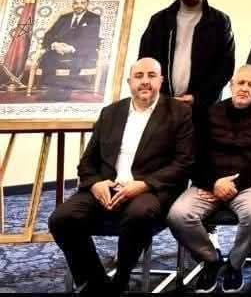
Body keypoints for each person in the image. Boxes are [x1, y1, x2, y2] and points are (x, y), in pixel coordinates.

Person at [48, 57, 194, 294]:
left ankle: (121, 280)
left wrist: (144, 184)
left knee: (139, 213)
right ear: (129, 82)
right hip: (107, 187)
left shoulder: (179, 113)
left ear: (161, 81)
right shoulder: (111, 112)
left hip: (149, 190)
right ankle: (95, 282)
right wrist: (95, 184)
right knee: (61, 218)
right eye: (139, 76)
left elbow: (183, 163)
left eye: (151, 76)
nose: (145, 81)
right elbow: (87, 162)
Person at [167, 65, 251, 293]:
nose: (244, 88)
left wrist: (234, 185)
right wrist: (214, 183)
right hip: (211, 183)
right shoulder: (210, 112)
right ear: (231, 85)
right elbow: (195, 157)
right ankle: (211, 260)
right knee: (178, 215)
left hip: (249, 185)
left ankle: (234, 265)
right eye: (241, 83)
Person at [139, 0, 235, 119]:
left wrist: (198, 97)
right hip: (162, 105)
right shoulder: (159, 21)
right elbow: (145, 62)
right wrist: (159, 96)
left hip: (204, 109)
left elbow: (225, 68)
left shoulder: (220, 22)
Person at [36, 0, 101, 98]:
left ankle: (66, 92)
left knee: (77, 60)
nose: (79, 5)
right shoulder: (64, 18)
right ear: (72, 4)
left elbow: (90, 38)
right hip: (60, 50)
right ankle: (51, 90)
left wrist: (70, 48)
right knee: (48, 57)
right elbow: (49, 35)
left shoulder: (94, 18)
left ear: (87, 4)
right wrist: (55, 44)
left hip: (80, 51)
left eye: (82, 3)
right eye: (76, 3)